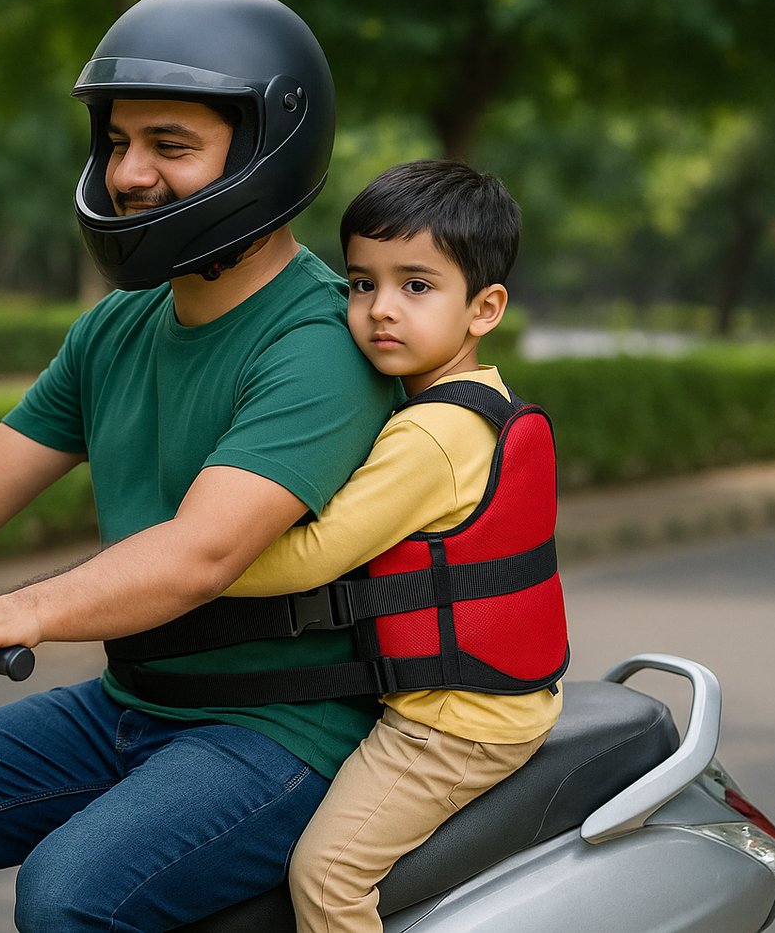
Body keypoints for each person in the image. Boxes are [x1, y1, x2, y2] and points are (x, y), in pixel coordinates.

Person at [0, 0, 395, 933]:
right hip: (138, 701)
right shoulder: (119, 327)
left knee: (67, 894)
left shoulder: (317, 341)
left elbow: (200, 552)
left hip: (280, 732)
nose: (129, 173)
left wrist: (20, 609)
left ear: (266, 150)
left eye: (168, 145)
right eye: (115, 143)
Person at [221, 159, 564, 933]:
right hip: (495, 696)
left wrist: (188, 568)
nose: (379, 309)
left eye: (415, 285)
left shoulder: (431, 432)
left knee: (328, 873)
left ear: (484, 308)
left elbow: (314, 555)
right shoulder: (481, 399)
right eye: (359, 283)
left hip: (449, 724)